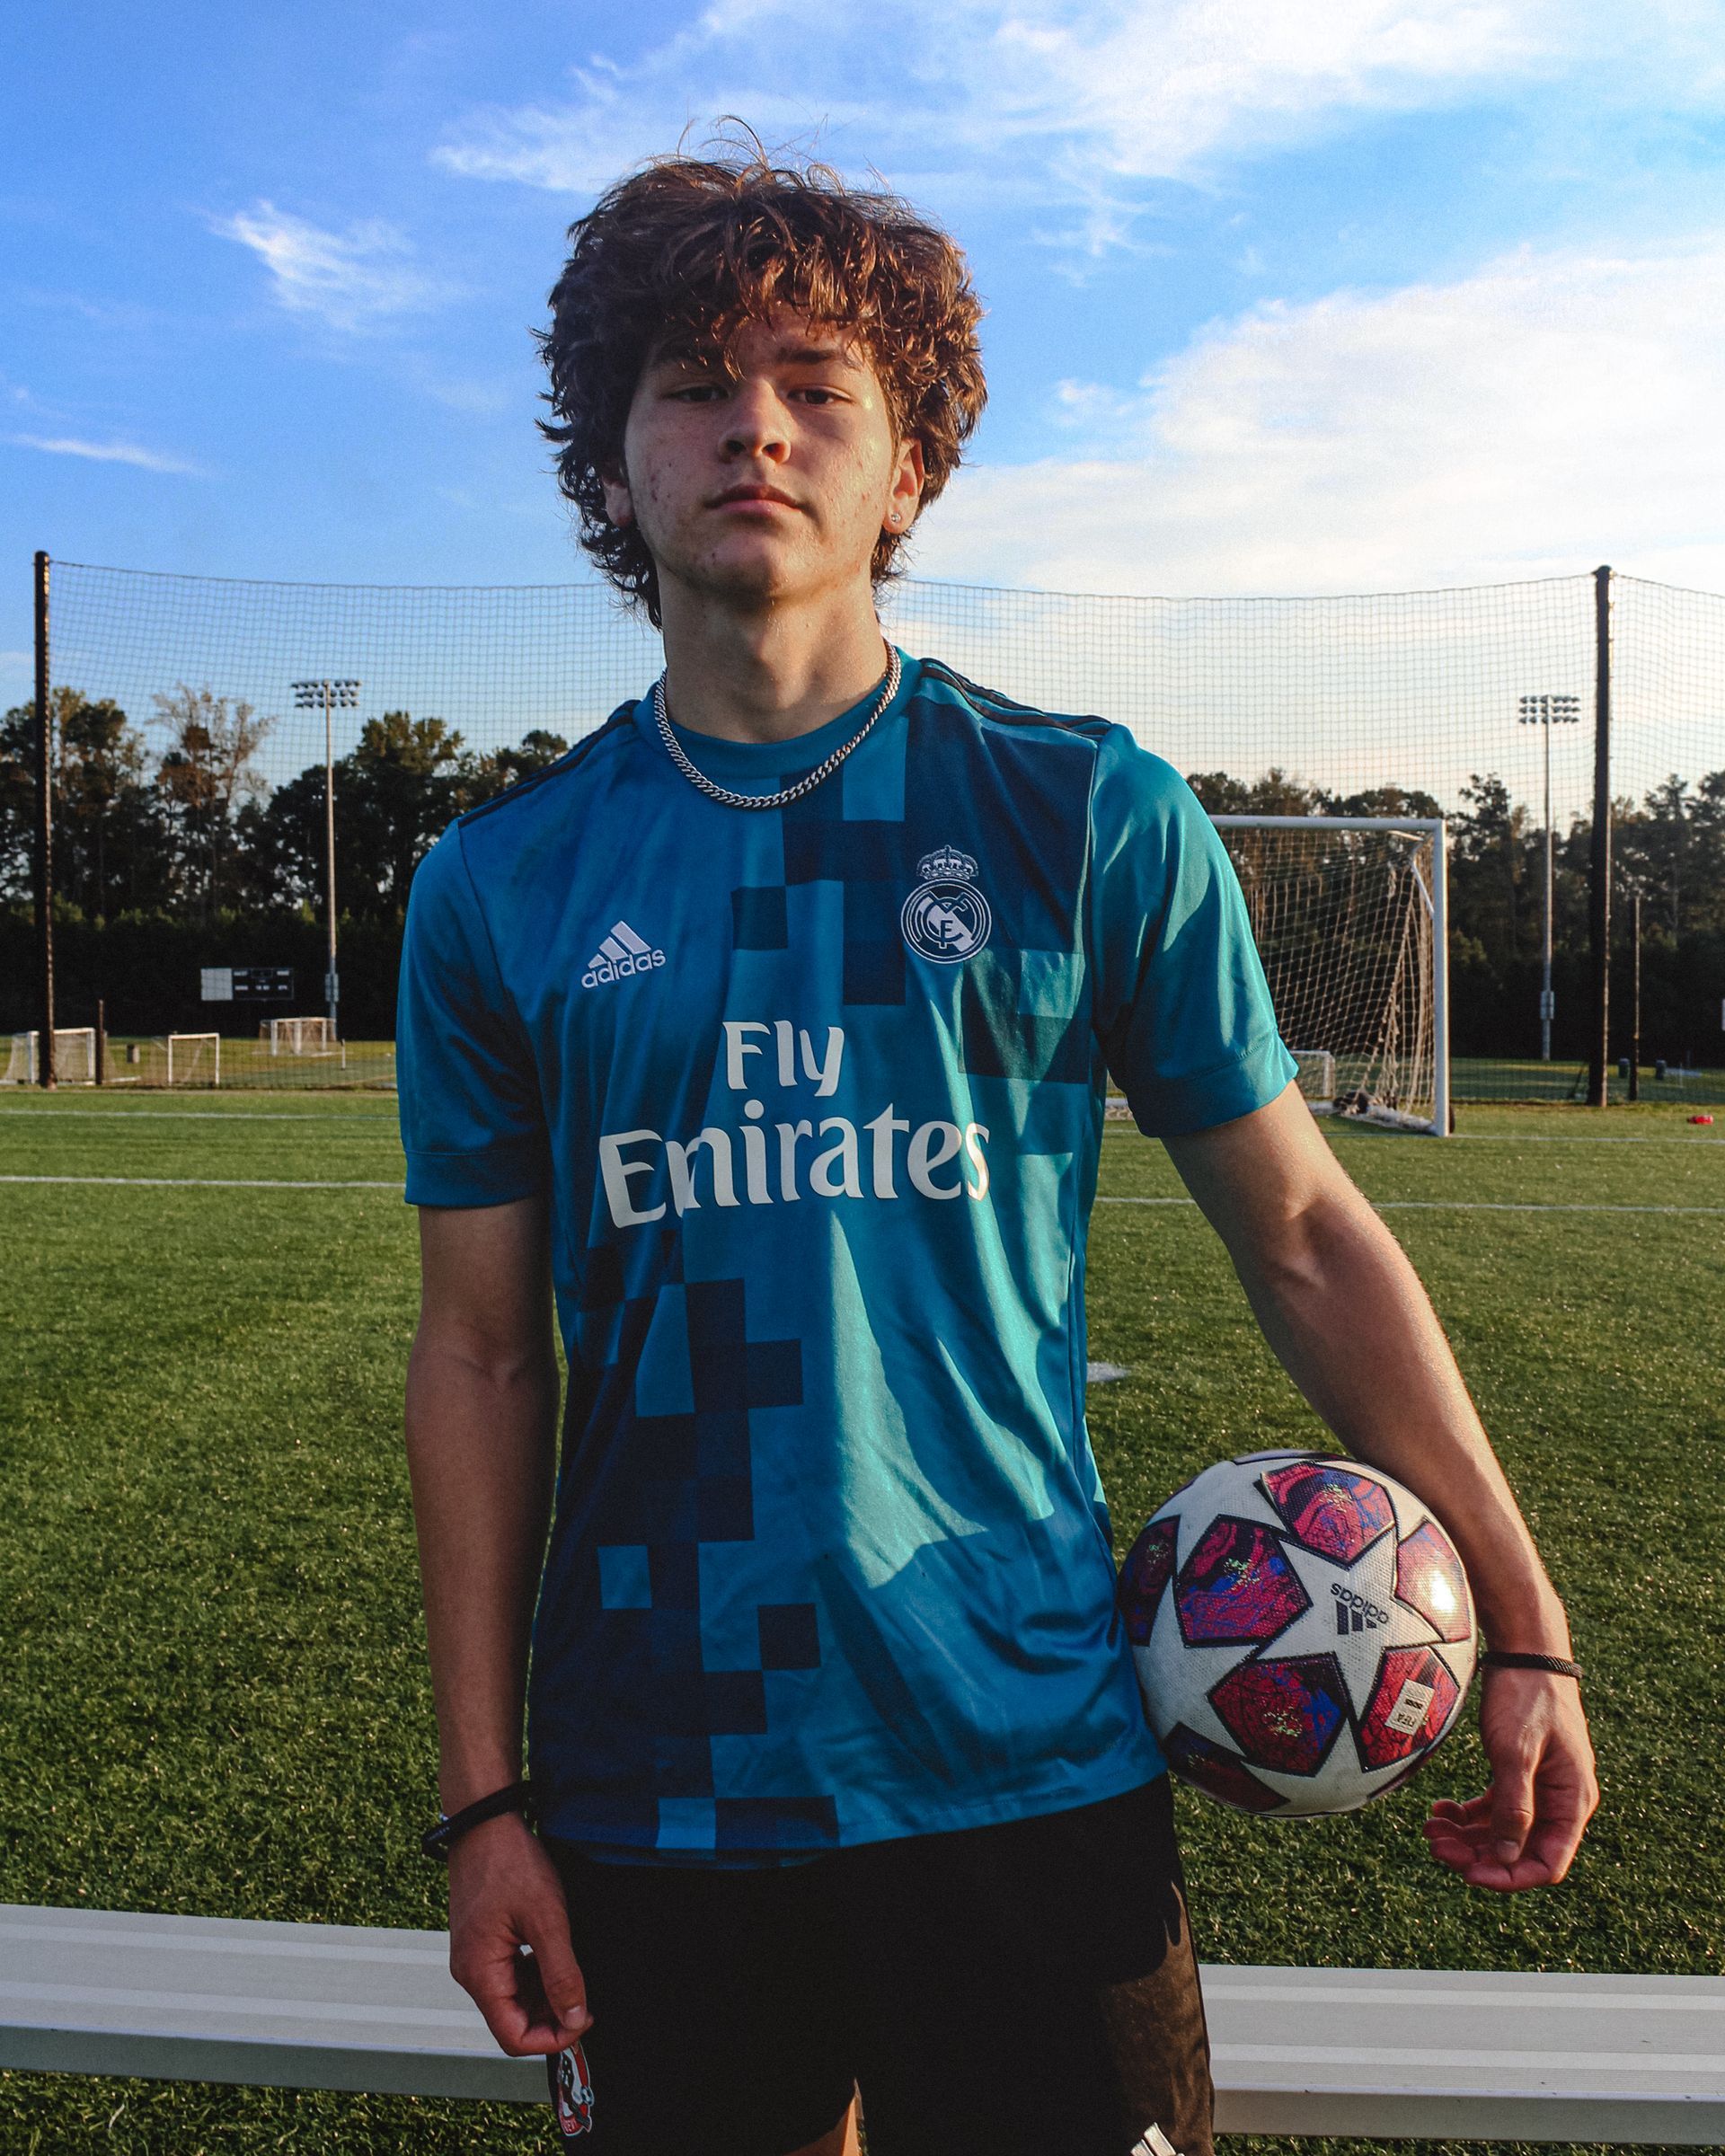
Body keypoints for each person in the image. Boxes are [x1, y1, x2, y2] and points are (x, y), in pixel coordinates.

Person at [397, 143, 1597, 2156]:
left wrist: (1523, 1607)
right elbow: (482, 1355)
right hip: (654, 1782)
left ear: (912, 469)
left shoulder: (1083, 816)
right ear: (612, 467)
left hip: (1026, 1759)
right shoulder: (504, 887)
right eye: (692, 382)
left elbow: (1305, 1231)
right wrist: (483, 1800)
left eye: (816, 385)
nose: (752, 425)